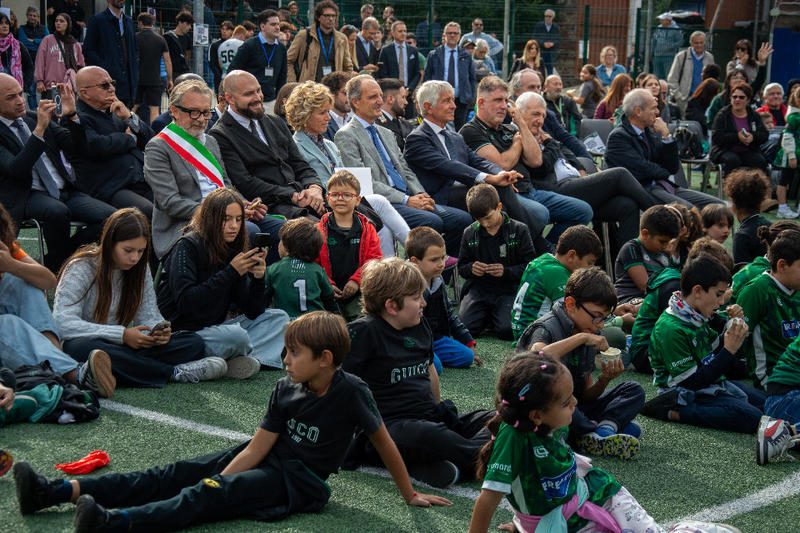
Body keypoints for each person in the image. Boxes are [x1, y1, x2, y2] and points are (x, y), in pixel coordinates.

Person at [12, 310, 450, 530]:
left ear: (325, 359)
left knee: (209, 494)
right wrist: (220, 475)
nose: (285, 360)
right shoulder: (285, 387)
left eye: (294, 353)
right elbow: (258, 446)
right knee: (176, 473)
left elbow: (384, 441)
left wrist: (409, 493)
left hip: (299, 483)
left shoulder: (352, 391)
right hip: (269, 459)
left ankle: (114, 523)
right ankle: (54, 492)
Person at [468, 353, 667, 533]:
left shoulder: (554, 421)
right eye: (566, 402)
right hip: (567, 519)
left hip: (599, 495)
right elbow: (489, 498)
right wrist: (525, 522)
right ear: (536, 416)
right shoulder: (514, 437)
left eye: (572, 396)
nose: (575, 403)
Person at [343, 257, 494, 488]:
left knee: (501, 418)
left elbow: (429, 370)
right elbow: (334, 383)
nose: (423, 302)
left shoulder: (419, 324)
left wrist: (437, 410)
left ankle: (437, 463)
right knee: (430, 435)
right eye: (416, 298)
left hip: (426, 418)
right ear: (392, 306)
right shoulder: (362, 332)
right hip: (385, 429)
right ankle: (494, 457)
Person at [53, 208, 216, 389]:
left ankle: (118, 370)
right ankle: (172, 373)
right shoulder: (80, 267)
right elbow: (62, 323)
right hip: (88, 342)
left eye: (140, 251)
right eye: (128, 250)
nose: (134, 258)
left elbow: (148, 315)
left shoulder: (140, 268)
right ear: (110, 243)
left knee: (192, 343)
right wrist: (122, 335)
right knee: (82, 349)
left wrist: (157, 333)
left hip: (123, 348)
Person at [334, 75, 472, 259]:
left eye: (380, 95)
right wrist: (407, 200)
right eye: (373, 97)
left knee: (463, 220)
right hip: (384, 203)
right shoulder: (346, 135)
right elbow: (363, 183)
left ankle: (440, 270)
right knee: (432, 221)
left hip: (408, 197)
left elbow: (405, 170)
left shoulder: (385, 132)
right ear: (355, 102)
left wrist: (422, 195)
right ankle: (421, 267)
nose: (380, 101)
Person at [403, 80, 549, 250]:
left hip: (466, 193)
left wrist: (501, 174)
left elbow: (478, 161)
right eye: (447, 101)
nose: (454, 106)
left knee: (498, 192)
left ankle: (514, 252)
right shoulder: (417, 138)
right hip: (439, 197)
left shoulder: (455, 137)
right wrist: (489, 178)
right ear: (428, 107)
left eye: (453, 100)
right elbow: (449, 166)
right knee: (494, 190)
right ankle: (537, 247)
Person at [516, 267, 645, 458]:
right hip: (543, 410)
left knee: (634, 390)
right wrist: (581, 338)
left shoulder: (588, 330)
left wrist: (604, 380)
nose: (600, 325)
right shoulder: (547, 327)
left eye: (604, 318)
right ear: (571, 304)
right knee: (569, 409)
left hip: (574, 407)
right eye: (597, 316)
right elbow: (537, 357)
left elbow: (585, 396)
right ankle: (595, 431)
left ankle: (602, 432)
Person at [156, 188, 289, 371]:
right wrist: (230, 272)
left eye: (238, 219)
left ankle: (243, 360)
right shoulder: (187, 246)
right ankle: (241, 356)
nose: (234, 226)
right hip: (186, 333)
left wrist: (258, 278)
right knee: (235, 336)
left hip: (217, 327)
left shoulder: (232, 248)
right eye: (226, 219)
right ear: (210, 219)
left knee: (279, 318)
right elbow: (186, 302)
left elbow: (253, 311)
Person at [512, 90, 656, 251]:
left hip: (576, 183)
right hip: (557, 188)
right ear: (519, 114)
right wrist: (551, 144)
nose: (540, 120)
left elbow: (566, 151)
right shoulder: (519, 135)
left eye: (543, 116)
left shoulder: (543, 135)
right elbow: (540, 167)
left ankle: (624, 261)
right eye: (536, 114)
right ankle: (660, 217)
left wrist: (580, 168)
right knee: (619, 174)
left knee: (627, 205)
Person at [0, 74, 116, 273]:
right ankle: (57, 263)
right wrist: (39, 131)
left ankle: (54, 261)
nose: (20, 101)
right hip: (26, 194)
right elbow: (17, 170)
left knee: (113, 219)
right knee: (56, 211)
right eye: (11, 97)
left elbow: (78, 147)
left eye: (20, 94)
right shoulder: (36, 122)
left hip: (63, 189)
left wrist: (72, 117)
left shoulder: (32, 118)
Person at [459, 77, 594, 246]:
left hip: (531, 191)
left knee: (583, 211)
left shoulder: (509, 128)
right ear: (481, 102)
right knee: (540, 213)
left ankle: (550, 249)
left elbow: (536, 160)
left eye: (506, 101)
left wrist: (521, 124)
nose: (503, 106)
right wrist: (517, 143)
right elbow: (502, 164)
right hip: (504, 197)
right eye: (498, 100)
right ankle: (542, 251)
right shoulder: (471, 131)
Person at [144, 78, 265, 260]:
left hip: (226, 216)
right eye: (194, 113)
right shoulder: (158, 147)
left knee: (279, 229)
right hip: (186, 225)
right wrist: (221, 213)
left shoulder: (210, 142)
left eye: (206, 112)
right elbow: (171, 202)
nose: (201, 119)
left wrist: (242, 204)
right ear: (174, 111)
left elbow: (225, 185)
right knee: (251, 232)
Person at [286, 80, 409, 258]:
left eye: (328, 111)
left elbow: (346, 176)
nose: (328, 117)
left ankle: (387, 269)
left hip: (346, 198)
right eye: (322, 113)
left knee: (381, 225)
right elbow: (313, 181)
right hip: (328, 203)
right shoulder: (296, 146)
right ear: (304, 115)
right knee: (379, 202)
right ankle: (416, 251)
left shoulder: (329, 144)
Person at [642, 255, 764, 433]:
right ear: (698, 291)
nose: (721, 302)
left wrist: (732, 329)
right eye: (718, 294)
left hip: (710, 382)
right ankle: (674, 412)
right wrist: (729, 350)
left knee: (766, 402)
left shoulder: (694, 314)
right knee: (754, 418)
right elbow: (692, 383)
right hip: (684, 392)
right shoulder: (670, 328)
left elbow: (714, 351)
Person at [210, 70, 325, 219]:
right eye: (248, 94)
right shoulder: (221, 134)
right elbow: (245, 182)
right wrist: (292, 195)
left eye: (258, 91)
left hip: (303, 198)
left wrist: (314, 187)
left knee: (349, 218)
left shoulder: (275, 122)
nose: (258, 98)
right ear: (229, 98)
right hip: (269, 207)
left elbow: (300, 164)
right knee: (317, 229)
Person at [629, 238, 734, 374]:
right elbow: (691, 330)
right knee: (718, 366)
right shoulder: (674, 286)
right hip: (646, 353)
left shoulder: (687, 284)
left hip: (675, 344)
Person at [606, 88, 723, 208]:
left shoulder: (648, 132)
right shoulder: (619, 137)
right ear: (638, 111)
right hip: (644, 190)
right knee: (689, 211)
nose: (657, 112)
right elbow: (642, 169)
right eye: (653, 108)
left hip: (664, 186)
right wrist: (665, 172)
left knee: (718, 206)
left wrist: (666, 136)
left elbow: (672, 167)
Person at [71, 66, 154, 218]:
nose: (112, 89)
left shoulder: (116, 111)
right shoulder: (76, 118)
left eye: (112, 83)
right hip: (109, 187)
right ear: (85, 93)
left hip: (139, 180)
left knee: (174, 205)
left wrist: (130, 117)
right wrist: (130, 139)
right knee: (149, 212)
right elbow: (96, 145)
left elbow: (151, 141)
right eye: (104, 85)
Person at [457, 184, 535, 340]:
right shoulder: (469, 232)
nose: (485, 224)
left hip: (509, 289)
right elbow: (462, 267)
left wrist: (506, 271)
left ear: (499, 207)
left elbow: (531, 267)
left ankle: (494, 316)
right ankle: (490, 315)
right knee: (466, 329)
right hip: (479, 289)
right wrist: (471, 268)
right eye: (479, 219)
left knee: (507, 331)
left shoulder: (519, 229)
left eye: (488, 218)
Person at [511, 225, 602, 342]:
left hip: (524, 332)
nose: (590, 268)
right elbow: (573, 316)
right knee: (612, 334)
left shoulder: (544, 259)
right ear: (571, 255)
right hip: (536, 338)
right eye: (589, 263)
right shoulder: (557, 273)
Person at [406, 226, 477, 373]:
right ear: (415, 261)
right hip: (414, 340)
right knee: (436, 367)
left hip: (435, 338)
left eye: (443, 257)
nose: (441, 264)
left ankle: (430, 356)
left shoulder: (437, 278)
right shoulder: (407, 283)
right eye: (434, 260)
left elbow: (449, 312)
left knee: (467, 357)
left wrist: (467, 341)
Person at [737, 228, 800, 388]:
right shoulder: (757, 290)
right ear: (782, 265)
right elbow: (736, 342)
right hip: (773, 379)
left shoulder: (796, 287)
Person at [315, 171, 382, 319]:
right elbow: (314, 261)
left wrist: (356, 280)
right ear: (327, 199)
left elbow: (374, 259)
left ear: (357, 200)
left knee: (361, 322)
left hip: (359, 293)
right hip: (327, 292)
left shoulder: (367, 228)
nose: (340, 199)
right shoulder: (319, 229)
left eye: (346, 195)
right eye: (334, 195)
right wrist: (327, 283)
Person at [508, 68, 593, 160]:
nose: (537, 91)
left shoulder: (548, 114)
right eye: (531, 87)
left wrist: (591, 162)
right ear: (516, 91)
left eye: (538, 87)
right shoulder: (505, 114)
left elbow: (566, 138)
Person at [264, 218, 337, 318]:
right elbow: (329, 299)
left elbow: (263, 299)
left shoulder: (273, 269)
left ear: (286, 246)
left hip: (285, 322)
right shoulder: (318, 270)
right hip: (314, 321)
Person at [614, 205, 682, 303]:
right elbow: (645, 286)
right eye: (662, 241)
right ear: (645, 234)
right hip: (630, 301)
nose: (665, 246)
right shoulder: (631, 249)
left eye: (668, 242)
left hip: (653, 300)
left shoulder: (664, 254)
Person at [82, 0, 138, 107]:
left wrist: (135, 73)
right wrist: (104, 69)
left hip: (128, 86)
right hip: (107, 84)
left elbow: (134, 50)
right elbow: (88, 50)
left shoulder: (129, 22)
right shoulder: (97, 20)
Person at [229, 9, 287, 108]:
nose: (277, 27)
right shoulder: (249, 45)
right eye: (273, 24)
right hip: (250, 101)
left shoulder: (281, 48)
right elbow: (234, 71)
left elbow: (282, 77)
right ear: (262, 26)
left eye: (278, 24)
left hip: (271, 101)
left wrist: (280, 101)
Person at [423, 21, 476, 129]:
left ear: (459, 36)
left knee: (461, 129)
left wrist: (470, 97)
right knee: (440, 127)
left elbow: (472, 78)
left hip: (461, 100)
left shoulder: (466, 55)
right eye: (449, 33)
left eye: (455, 33)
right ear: (444, 35)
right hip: (440, 99)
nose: (452, 35)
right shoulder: (434, 54)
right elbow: (427, 78)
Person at [710, 82, 768, 179]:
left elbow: (764, 134)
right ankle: (731, 187)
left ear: (748, 100)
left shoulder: (754, 115)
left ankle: (755, 187)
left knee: (760, 161)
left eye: (741, 97)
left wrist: (753, 137)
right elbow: (716, 137)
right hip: (725, 150)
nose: (737, 100)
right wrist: (737, 137)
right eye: (734, 97)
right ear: (730, 98)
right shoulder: (722, 115)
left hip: (748, 150)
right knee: (733, 160)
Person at [287, 0, 354, 83]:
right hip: (309, 87)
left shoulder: (342, 39)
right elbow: (288, 61)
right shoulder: (305, 35)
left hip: (333, 88)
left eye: (333, 16)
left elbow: (348, 67)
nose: (331, 19)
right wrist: (293, 83)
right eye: (327, 15)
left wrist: (343, 84)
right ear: (318, 17)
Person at [726, 167, 772, 266]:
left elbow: (744, 271)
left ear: (734, 207)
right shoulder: (773, 226)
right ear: (760, 203)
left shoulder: (742, 236)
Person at [377, 20, 420, 119]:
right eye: (400, 31)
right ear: (393, 33)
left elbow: (417, 73)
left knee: (408, 120)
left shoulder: (413, 50)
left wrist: (409, 89)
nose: (403, 34)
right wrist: (394, 89)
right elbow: (382, 72)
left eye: (405, 31)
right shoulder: (386, 50)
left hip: (408, 94)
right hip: (392, 95)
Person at [134, 12, 170, 124]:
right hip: (154, 79)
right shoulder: (160, 39)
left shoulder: (135, 38)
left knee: (134, 107)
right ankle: (154, 132)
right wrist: (170, 79)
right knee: (154, 109)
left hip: (137, 78)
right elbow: (167, 60)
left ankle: (130, 128)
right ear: (152, 23)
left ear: (140, 23)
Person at [667, 31, 715, 114]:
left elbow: (712, 80)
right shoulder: (681, 56)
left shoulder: (709, 58)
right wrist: (678, 96)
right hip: (684, 100)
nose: (699, 45)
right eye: (696, 43)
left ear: (705, 43)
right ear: (691, 43)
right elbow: (672, 79)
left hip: (703, 101)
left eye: (701, 43)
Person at [773, 85, 800, 218]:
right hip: (790, 155)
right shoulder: (794, 117)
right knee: (784, 180)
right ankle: (782, 208)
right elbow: (787, 136)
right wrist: (791, 156)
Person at [17, 7, 47, 108]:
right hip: (29, 61)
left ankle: (44, 109)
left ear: (38, 17)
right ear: (27, 16)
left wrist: (34, 41)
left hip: (43, 61)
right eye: (30, 15)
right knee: (31, 89)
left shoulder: (44, 28)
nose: (32, 17)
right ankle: (34, 111)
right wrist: (39, 43)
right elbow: (24, 43)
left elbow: (47, 42)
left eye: (34, 15)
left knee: (45, 87)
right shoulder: (22, 28)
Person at [376, 77, 413, 150]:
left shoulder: (405, 124)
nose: (406, 102)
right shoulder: (377, 126)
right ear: (390, 99)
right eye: (403, 97)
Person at [0, 12, 33, 93]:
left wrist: (24, 86)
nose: (4, 26)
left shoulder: (17, 45)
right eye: (1, 23)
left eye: (6, 23)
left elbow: (29, 67)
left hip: (16, 91)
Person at [320, 70, 350, 140]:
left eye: (351, 93)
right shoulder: (323, 123)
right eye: (345, 93)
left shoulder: (353, 120)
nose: (350, 97)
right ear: (331, 94)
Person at [651, 13, 682, 79]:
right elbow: (654, 40)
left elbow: (680, 42)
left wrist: (670, 46)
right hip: (657, 55)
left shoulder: (676, 29)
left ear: (668, 21)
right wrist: (652, 52)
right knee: (656, 76)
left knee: (668, 75)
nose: (660, 21)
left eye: (662, 20)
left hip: (669, 56)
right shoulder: (658, 28)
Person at [164, 11, 193, 80]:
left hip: (184, 72)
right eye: (187, 24)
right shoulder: (168, 37)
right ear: (180, 22)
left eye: (190, 25)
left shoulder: (187, 38)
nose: (190, 27)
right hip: (172, 72)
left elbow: (188, 55)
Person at [531, 9, 560, 76]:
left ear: (553, 17)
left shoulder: (556, 27)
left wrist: (553, 43)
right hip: (540, 52)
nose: (547, 18)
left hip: (551, 53)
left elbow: (559, 40)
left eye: (549, 16)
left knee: (550, 72)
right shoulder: (539, 25)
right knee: (539, 71)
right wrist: (543, 43)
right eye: (546, 16)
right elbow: (534, 38)